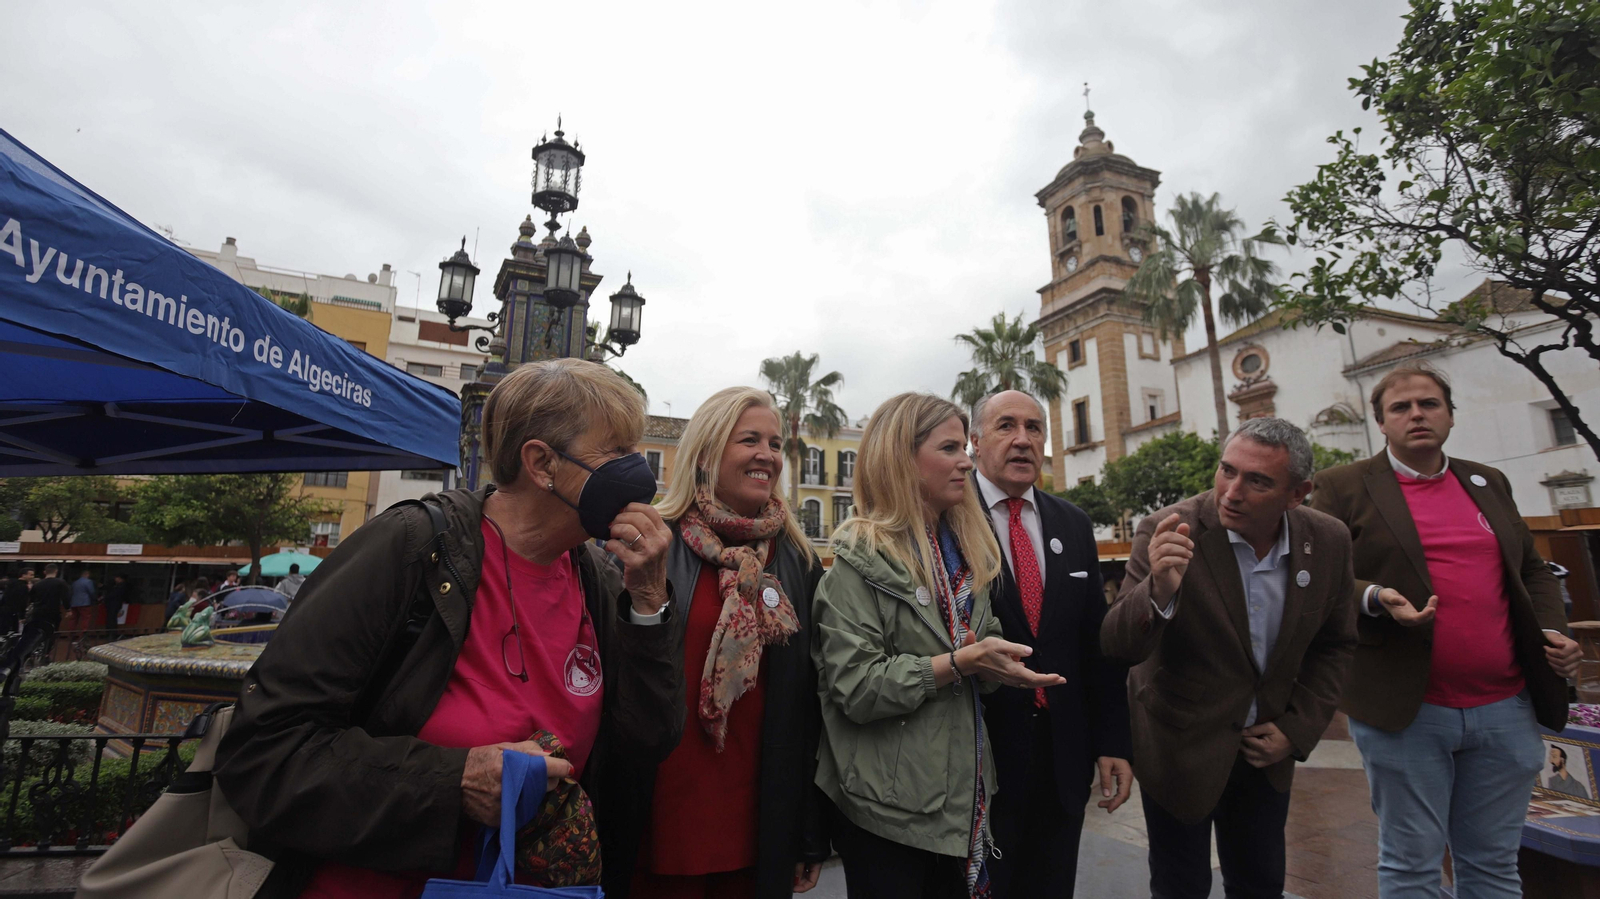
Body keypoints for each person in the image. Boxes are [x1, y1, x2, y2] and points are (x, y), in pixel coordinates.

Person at [214, 358, 685, 899]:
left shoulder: (598, 579)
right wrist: (453, 780)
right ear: (541, 463)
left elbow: (646, 742)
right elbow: (265, 750)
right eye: (616, 453)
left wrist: (648, 601)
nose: (638, 473)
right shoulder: (411, 547)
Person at [1309, 365, 1579, 899]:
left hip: (1506, 708)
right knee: (1412, 865)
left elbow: (1530, 568)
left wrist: (1554, 632)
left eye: (1429, 404)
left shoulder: (1487, 481)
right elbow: (1319, 573)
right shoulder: (1343, 486)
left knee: (1494, 864)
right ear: (1380, 423)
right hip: (1407, 713)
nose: (1416, 415)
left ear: (1450, 415)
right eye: (1401, 408)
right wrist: (1375, 598)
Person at [812, 392, 1063, 899]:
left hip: (960, 800)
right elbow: (856, 689)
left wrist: (996, 665)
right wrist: (956, 663)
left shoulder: (968, 556)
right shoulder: (855, 564)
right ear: (902, 458)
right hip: (887, 811)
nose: (967, 462)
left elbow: (981, 645)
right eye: (949, 448)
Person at [1101, 417, 1357, 899]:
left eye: (1257, 481)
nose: (1232, 491)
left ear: (1297, 493)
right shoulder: (1168, 529)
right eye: (1227, 470)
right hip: (1179, 746)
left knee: (1261, 884)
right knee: (1180, 886)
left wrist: (1296, 729)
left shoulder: (1327, 540)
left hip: (1265, 752)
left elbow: (1336, 644)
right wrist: (1158, 588)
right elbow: (1118, 645)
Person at [617, 387, 829, 899]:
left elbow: (812, 709)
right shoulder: (650, 544)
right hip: (658, 819)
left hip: (760, 825)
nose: (768, 455)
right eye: (750, 439)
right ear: (708, 453)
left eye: (775, 443)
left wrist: (809, 833)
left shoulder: (798, 562)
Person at [968, 390, 1133, 898]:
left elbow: (1095, 644)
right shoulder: (948, 519)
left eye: (1034, 428)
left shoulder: (1072, 522)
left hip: (1064, 758)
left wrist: (1112, 743)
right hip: (981, 761)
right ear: (974, 442)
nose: (1023, 440)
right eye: (1006, 426)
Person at [28, 564, 67, 631]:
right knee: (52, 631)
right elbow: (65, 596)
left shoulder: (37, 584)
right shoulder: (61, 583)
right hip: (53, 611)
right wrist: (68, 608)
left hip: (38, 611)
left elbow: (31, 598)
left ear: (44, 572)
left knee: (37, 631)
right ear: (56, 571)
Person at [0, 568, 33, 634]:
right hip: (14, 612)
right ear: (24, 575)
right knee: (13, 633)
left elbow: (4, 597)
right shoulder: (23, 587)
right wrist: (22, 616)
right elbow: (23, 601)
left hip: (4, 610)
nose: (32, 577)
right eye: (31, 575)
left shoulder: (11, 583)